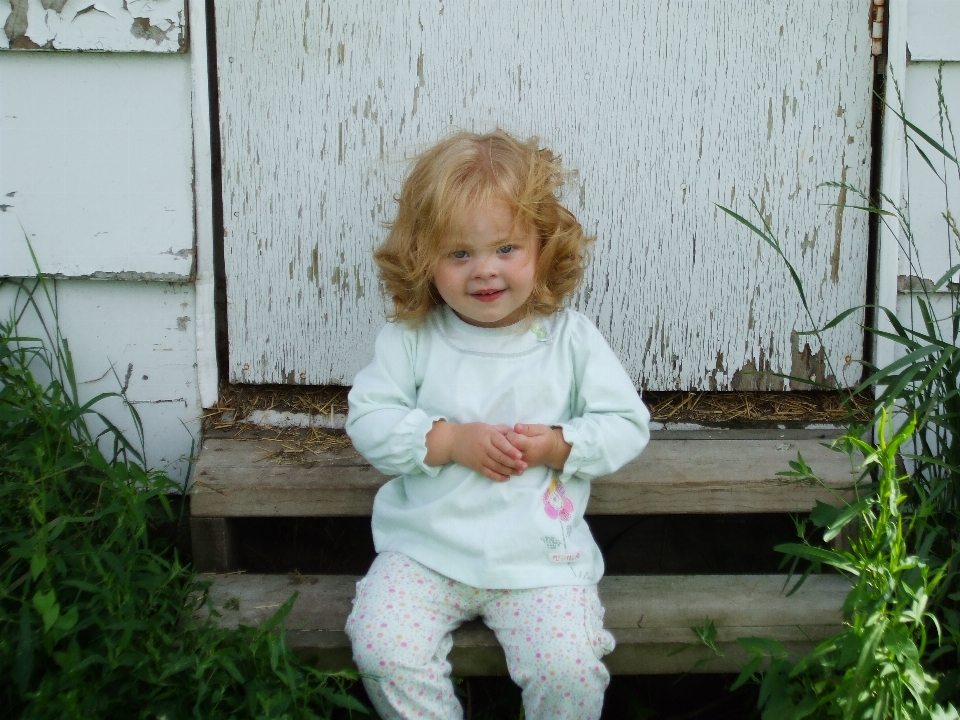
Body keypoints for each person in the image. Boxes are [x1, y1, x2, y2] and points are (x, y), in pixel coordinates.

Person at [345, 129, 650, 720]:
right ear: (422, 257)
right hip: (427, 552)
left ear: (543, 247)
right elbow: (370, 420)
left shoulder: (568, 340)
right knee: (384, 648)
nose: (484, 271)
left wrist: (560, 446)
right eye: (460, 253)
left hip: (540, 560)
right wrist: (450, 440)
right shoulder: (413, 340)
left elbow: (626, 424)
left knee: (568, 667)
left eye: (506, 248)